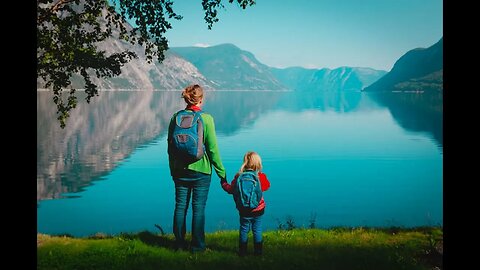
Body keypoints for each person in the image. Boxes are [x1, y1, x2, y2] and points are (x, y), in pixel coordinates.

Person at [167, 84, 227, 252]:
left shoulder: (175, 117)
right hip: (201, 171)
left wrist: (173, 169)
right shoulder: (206, 118)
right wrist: (222, 173)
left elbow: (170, 148)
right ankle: (197, 246)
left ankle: (179, 245)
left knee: (180, 207)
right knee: (198, 209)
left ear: (187, 99)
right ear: (201, 99)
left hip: (179, 171)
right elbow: (213, 149)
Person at [221, 151, 271, 256]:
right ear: (258, 164)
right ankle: (258, 252)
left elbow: (230, 189)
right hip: (258, 209)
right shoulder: (260, 177)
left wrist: (224, 183)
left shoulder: (238, 177)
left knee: (244, 229)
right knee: (257, 230)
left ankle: (242, 252)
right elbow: (267, 186)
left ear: (244, 162)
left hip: (243, 209)